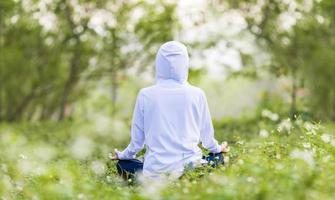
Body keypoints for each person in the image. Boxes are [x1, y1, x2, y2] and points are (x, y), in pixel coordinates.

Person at [110, 41, 229, 179]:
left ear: (159, 64)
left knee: (123, 165)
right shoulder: (197, 94)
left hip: (155, 173)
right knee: (218, 158)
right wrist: (218, 149)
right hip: (191, 169)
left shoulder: (145, 94)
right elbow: (207, 138)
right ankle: (190, 177)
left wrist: (122, 156)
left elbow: (137, 142)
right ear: (185, 63)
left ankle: (153, 177)